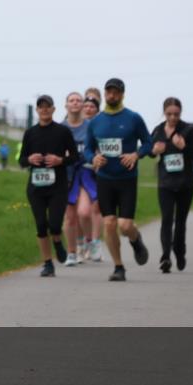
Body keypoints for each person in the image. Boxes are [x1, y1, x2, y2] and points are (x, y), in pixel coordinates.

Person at [84, 78, 152, 281]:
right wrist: (92, 158)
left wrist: (136, 155)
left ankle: (136, 239)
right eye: (109, 92)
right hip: (104, 178)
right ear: (105, 94)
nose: (112, 95)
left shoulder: (133, 118)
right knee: (110, 222)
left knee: (124, 225)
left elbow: (148, 143)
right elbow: (88, 148)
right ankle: (118, 267)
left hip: (127, 179)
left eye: (116, 92)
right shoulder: (96, 121)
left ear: (122, 94)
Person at [19, 95, 79, 277]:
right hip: (36, 188)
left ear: (53, 109)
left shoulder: (63, 131)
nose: (44, 110)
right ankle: (47, 263)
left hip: (57, 186)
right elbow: (21, 160)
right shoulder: (30, 133)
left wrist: (60, 160)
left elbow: (75, 157)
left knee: (54, 224)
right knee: (40, 225)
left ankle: (58, 241)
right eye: (41, 107)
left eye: (47, 107)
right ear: (37, 110)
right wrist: (29, 159)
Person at [151, 97, 193, 272]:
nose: (173, 117)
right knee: (166, 219)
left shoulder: (188, 130)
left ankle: (179, 252)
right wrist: (154, 151)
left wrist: (184, 147)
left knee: (180, 221)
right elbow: (149, 151)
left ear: (181, 113)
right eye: (169, 114)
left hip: (185, 183)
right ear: (164, 113)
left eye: (176, 114)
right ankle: (165, 256)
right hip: (165, 183)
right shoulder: (158, 131)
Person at [62, 92, 95, 266]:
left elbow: (96, 148)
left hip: (85, 175)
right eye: (71, 100)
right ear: (66, 105)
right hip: (66, 176)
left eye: (78, 100)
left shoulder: (90, 126)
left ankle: (90, 242)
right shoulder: (60, 128)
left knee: (84, 212)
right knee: (70, 217)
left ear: (82, 105)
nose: (75, 103)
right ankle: (72, 253)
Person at [80, 95, 104, 261]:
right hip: (81, 172)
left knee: (97, 209)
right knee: (83, 212)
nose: (88, 109)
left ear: (97, 110)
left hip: (99, 172)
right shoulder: (76, 125)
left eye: (92, 107)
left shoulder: (102, 126)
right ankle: (86, 240)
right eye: (85, 106)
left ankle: (95, 243)